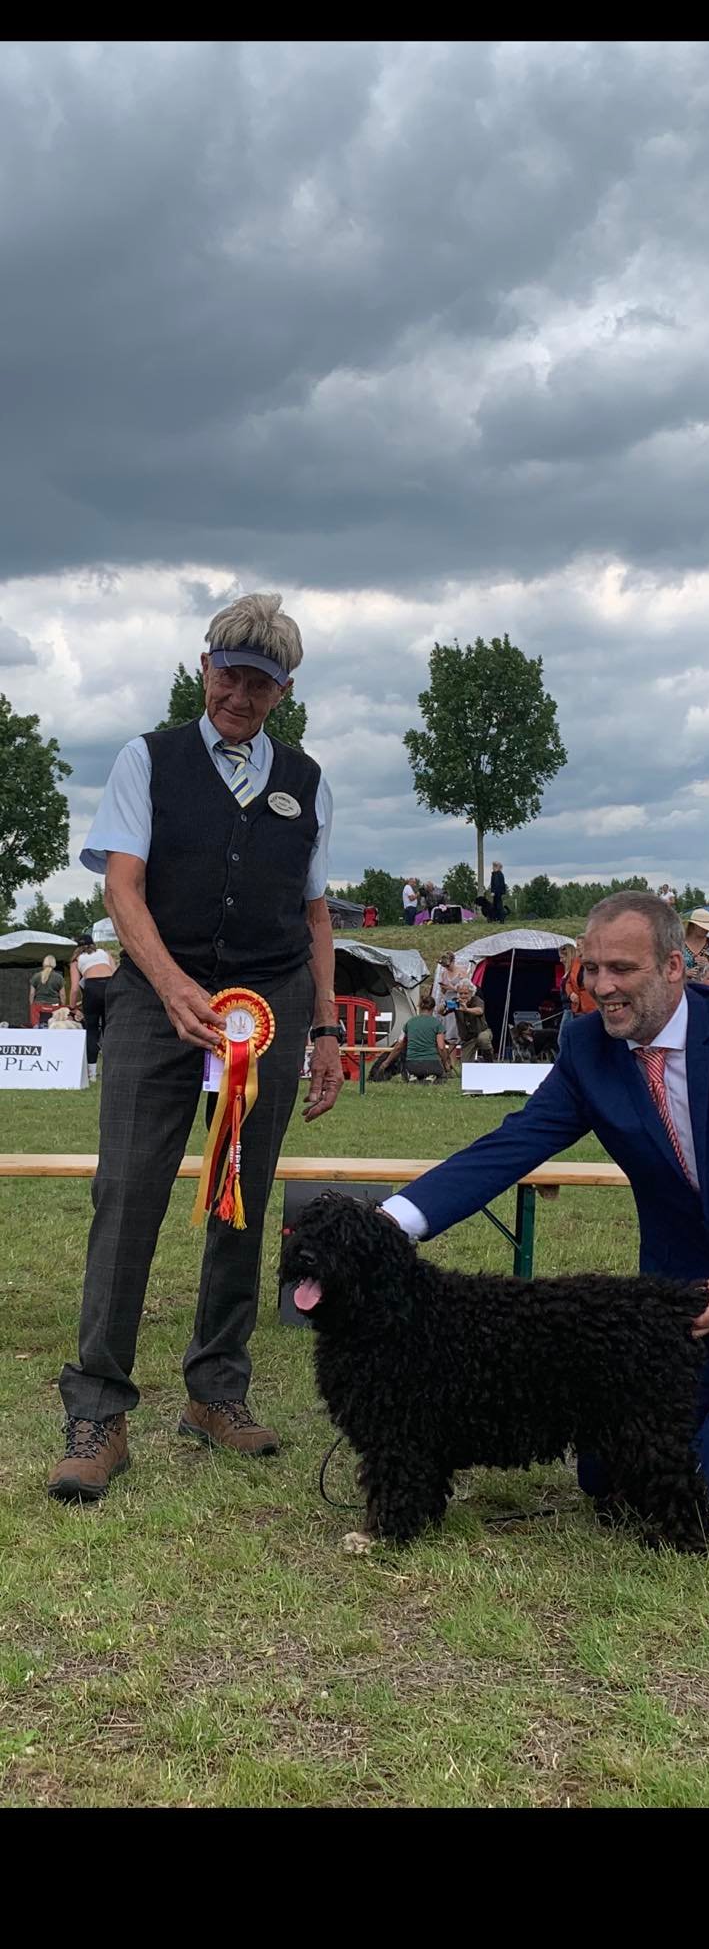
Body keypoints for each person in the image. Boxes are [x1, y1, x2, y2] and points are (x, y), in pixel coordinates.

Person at [382, 891, 709, 1528]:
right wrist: (387, 1224)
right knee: (609, 1475)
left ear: (674, 967)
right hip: (695, 1302)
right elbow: (509, 1148)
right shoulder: (587, 1047)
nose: (601, 987)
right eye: (591, 969)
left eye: (622, 970)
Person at [48, 591, 343, 1503]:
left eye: (260, 681)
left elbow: (316, 910)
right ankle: (98, 1408)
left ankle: (217, 1390)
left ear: (283, 691)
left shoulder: (308, 778)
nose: (239, 693)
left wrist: (328, 1025)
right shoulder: (147, 760)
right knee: (128, 1192)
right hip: (151, 998)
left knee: (243, 1200)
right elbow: (122, 891)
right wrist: (173, 983)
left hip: (275, 1000)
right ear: (203, 666)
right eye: (228, 671)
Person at [69, 935, 117, 1082]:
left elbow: (75, 988)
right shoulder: (105, 953)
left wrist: (72, 1008)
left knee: (91, 1030)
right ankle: (112, 1070)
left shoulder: (76, 960)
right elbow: (116, 974)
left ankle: (92, 1073)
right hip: (110, 986)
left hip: (92, 988)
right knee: (110, 1030)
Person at [394, 990, 452, 1081]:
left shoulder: (409, 1022)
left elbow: (400, 1043)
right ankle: (431, 1075)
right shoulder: (437, 1024)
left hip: (411, 1063)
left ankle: (414, 1076)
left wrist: (385, 1063)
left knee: (414, 1071)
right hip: (431, 1063)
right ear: (433, 1008)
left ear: (419, 1007)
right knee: (441, 1076)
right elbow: (441, 1047)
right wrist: (446, 1063)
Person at [433, 949, 471, 1056]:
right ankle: (450, 1060)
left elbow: (467, 989)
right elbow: (443, 991)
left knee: (456, 1030)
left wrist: (452, 988)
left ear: (453, 961)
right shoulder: (444, 973)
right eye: (445, 966)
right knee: (449, 1033)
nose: (447, 968)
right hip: (448, 1001)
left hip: (459, 1001)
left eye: (448, 966)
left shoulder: (461, 972)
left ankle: (460, 1058)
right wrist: (443, 988)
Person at [682, 909, 709, 988]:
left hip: (707, 990)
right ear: (693, 925)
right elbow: (667, 968)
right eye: (703, 927)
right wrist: (684, 973)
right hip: (683, 989)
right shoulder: (679, 943)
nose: (706, 930)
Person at [455, 980, 495, 1063]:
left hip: (482, 1032)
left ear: (471, 993)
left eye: (466, 993)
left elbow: (480, 1011)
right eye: (460, 993)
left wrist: (466, 1009)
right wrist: (445, 1005)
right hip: (468, 1038)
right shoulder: (456, 1002)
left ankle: (489, 1059)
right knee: (464, 1067)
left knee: (483, 1038)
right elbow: (441, 1012)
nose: (463, 996)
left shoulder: (477, 1000)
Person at [29, 954, 66, 1028]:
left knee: (34, 1011)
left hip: (38, 1006)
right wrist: (62, 1006)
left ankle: (36, 1026)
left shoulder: (36, 976)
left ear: (43, 963)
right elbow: (62, 995)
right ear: (54, 964)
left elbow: (32, 993)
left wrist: (31, 1005)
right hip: (54, 1007)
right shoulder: (59, 977)